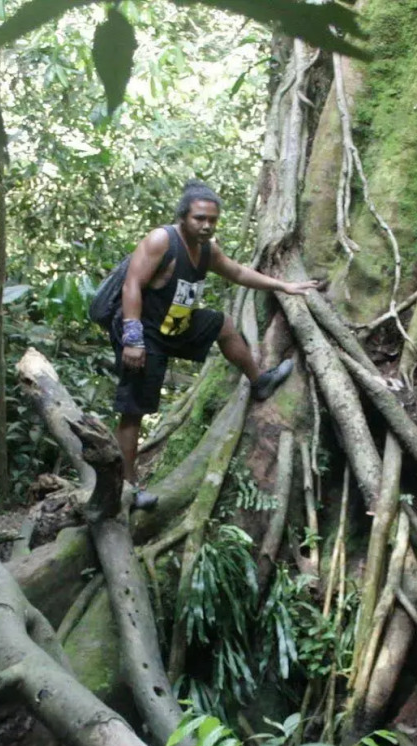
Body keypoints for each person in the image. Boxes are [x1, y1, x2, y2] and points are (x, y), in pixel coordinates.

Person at [110, 180, 320, 509]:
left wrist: (284, 286)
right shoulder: (162, 240)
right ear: (184, 217)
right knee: (134, 411)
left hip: (175, 324)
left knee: (222, 324)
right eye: (199, 218)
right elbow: (131, 285)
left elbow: (237, 273)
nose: (206, 225)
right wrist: (132, 339)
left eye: (212, 220)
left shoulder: (207, 249)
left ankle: (259, 381)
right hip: (145, 332)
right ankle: (128, 488)